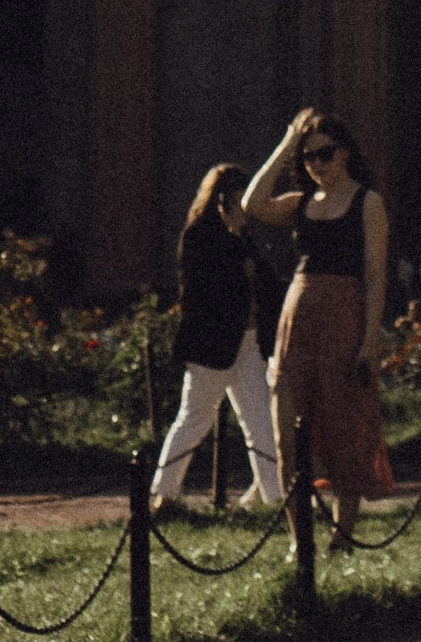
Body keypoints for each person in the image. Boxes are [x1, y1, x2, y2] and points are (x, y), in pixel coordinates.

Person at [243, 109, 392, 542]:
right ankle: (298, 542)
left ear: (344, 153)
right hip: (298, 318)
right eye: (308, 158)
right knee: (285, 433)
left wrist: (369, 341)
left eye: (324, 154)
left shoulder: (369, 203)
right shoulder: (303, 204)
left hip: (344, 316)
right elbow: (253, 204)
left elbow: (376, 275)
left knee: (345, 429)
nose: (317, 164)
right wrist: (288, 142)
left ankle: (343, 537)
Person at [151, 164, 282, 508]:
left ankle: (275, 499)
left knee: (260, 422)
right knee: (194, 419)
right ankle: (162, 495)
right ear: (222, 200)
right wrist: (240, 254)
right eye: (241, 199)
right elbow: (209, 292)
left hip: (248, 343)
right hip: (212, 346)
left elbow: (267, 285)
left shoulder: (244, 240)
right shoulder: (200, 237)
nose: (246, 208)